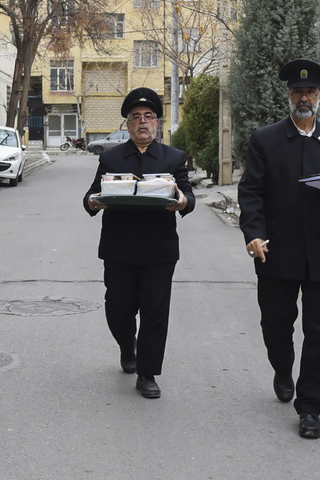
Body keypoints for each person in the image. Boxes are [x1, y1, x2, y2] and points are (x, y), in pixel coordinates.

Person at [238, 59, 320, 439]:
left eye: (310, 92)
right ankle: (282, 367)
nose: (304, 98)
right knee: (276, 324)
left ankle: (310, 407)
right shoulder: (266, 140)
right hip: (276, 251)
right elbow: (252, 192)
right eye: (297, 92)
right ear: (288, 96)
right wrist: (254, 233)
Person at [83, 87, 195, 399]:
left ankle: (148, 374)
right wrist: (94, 201)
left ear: (157, 124)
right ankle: (126, 344)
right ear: (128, 124)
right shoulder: (111, 157)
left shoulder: (174, 158)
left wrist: (183, 200)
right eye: (135, 117)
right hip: (119, 249)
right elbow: (91, 196)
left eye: (148, 117)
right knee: (118, 309)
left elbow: (187, 195)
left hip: (159, 250)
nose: (142, 122)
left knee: (155, 312)